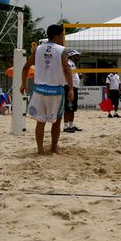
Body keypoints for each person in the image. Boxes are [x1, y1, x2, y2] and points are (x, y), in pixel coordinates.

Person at [20, 24, 74, 155]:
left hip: (39, 90)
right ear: (56, 36)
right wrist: (71, 88)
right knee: (56, 122)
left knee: (40, 122)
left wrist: (23, 84)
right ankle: (53, 148)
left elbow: (26, 67)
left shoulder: (38, 49)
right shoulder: (61, 50)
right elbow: (67, 69)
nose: (63, 38)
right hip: (55, 91)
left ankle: (40, 150)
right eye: (62, 35)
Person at [63, 50, 82, 132]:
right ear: (72, 56)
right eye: (77, 55)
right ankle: (66, 126)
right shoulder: (68, 63)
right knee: (68, 108)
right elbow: (66, 73)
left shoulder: (73, 64)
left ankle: (71, 125)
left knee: (72, 108)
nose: (78, 57)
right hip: (68, 87)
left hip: (73, 88)